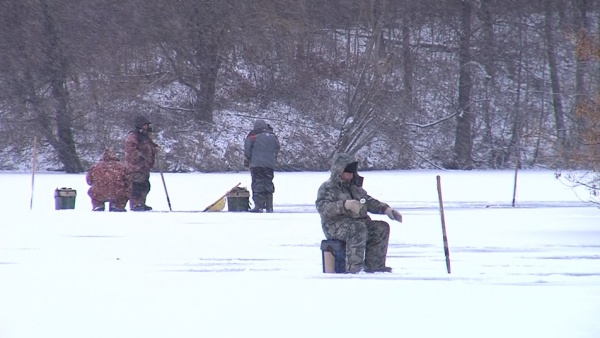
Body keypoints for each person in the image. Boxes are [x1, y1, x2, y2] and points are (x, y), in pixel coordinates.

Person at [315, 153, 403, 273]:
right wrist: (345, 205)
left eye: (352, 173)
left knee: (381, 227)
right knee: (357, 228)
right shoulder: (328, 188)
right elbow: (323, 208)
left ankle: (375, 266)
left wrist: (386, 209)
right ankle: (355, 268)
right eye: (347, 172)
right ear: (339, 170)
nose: (350, 175)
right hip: (335, 225)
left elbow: (368, 201)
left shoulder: (355, 187)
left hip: (359, 222)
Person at [244, 119, 280, 212]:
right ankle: (269, 206)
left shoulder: (253, 135)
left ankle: (258, 206)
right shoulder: (273, 136)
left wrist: (248, 160)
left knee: (258, 183)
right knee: (268, 183)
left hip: (256, 164)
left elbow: (247, 149)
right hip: (269, 165)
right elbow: (277, 148)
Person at [125, 115, 159, 211]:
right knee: (136, 186)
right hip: (135, 167)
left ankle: (141, 203)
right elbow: (130, 149)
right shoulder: (133, 136)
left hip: (144, 167)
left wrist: (155, 148)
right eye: (145, 125)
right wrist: (140, 156)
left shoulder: (145, 136)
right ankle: (136, 204)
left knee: (145, 186)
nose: (147, 127)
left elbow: (150, 145)